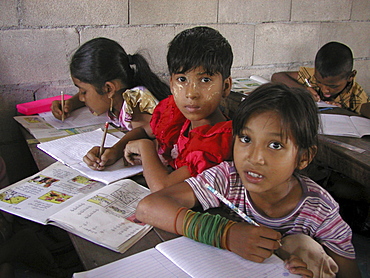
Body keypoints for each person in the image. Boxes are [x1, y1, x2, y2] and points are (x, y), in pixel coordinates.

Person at [136, 83, 361, 278]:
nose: (254, 158)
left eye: (275, 145)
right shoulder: (227, 180)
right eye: (245, 139)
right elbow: (148, 208)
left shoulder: (319, 210)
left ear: (303, 157)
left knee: (302, 247)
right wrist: (226, 234)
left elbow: (350, 274)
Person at [84, 26, 234, 191]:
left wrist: (145, 148)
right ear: (171, 84)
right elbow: (144, 131)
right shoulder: (179, 112)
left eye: (205, 80)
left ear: (225, 87)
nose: (191, 93)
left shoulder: (217, 142)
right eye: (182, 79)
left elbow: (163, 188)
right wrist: (114, 151)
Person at [51, 37, 171, 166]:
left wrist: (116, 150)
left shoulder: (137, 101)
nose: (81, 98)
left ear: (108, 88)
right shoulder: (117, 95)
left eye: (83, 92)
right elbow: (94, 94)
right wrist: (70, 104)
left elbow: (144, 134)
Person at [271, 41, 370, 118]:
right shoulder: (313, 75)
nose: (324, 90)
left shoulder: (356, 94)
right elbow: (277, 77)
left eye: (333, 86)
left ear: (350, 77)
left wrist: (342, 111)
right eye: (319, 82)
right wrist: (303, 90)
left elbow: (365, 109)